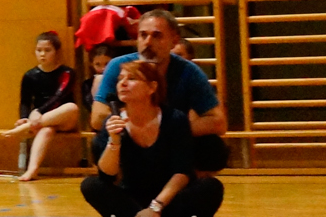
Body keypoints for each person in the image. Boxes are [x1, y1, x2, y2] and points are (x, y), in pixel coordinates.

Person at [80, 58, 224, 217]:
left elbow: (182, 172)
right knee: (91, 185)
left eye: (132, 78)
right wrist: (114, 141)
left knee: (211, 187)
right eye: (120, 79)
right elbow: (108, 174)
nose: (123, 83)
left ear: (152, 87)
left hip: (168, 198)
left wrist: (156, 207)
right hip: (133, 198)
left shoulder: (174, 119)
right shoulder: (113, 121)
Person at [87, 9, 226, 165]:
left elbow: (218, 122)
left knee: (213, 147)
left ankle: (184, 177)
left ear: (174, 41)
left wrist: (165, 130)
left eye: (157, 36)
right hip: (131, 140)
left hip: (171, 142)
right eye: (143, 35)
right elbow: (97, 118)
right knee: (99, 143)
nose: (148, 42)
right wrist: (138, 128)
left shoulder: (189, 71)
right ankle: (124, 179)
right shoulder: (118, 65)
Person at [3, 30, 79, 181]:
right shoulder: (30, 75)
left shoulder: (67, 73)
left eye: (47, 50)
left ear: (57, 52)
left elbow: (59, 96)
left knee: (71, 107)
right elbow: (25, 101)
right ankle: (32, 170)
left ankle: (26, 127)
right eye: (39, 50)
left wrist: (38, 112)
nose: (42, 54)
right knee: (46, 131)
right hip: (40, 121)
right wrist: (24, 117)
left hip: (64, 119)